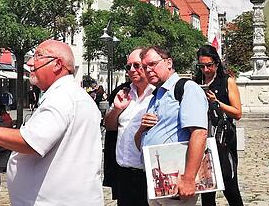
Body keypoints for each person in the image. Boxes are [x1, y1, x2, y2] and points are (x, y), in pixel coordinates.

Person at [0, 39, 103, 205]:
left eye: (38, 56)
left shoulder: (62, 97)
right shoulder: (73, 95)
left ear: (57, 64)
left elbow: (31, 142)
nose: (30, 62)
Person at [135, 46, 208, 206]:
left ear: (169, 63)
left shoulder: (187, 88)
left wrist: (189, 179)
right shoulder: (156, 96)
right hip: (157, 180)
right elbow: (139, 143)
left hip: (177, 178)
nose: (148, 70)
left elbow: (199, 133)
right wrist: (143, 128)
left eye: (152, 64)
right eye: (145, 67)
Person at [104, 48, 155, 206]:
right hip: (123, 172)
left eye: (137, 65)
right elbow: (109, 126)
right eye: (128, 66)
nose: (132, 70)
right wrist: (117, 109)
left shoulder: (159, 93)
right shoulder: (123, 92)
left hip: (148, 173)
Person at [194, 45, 244, 206]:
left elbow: (237, 113)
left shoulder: (226, 81)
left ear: (216, 63)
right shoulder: (196, 82)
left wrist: (217, 102)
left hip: (223, 139)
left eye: (209, 65)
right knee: (207, 189)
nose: (206, 69)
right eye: (202, 66)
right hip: (202, 138)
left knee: (229, 185)